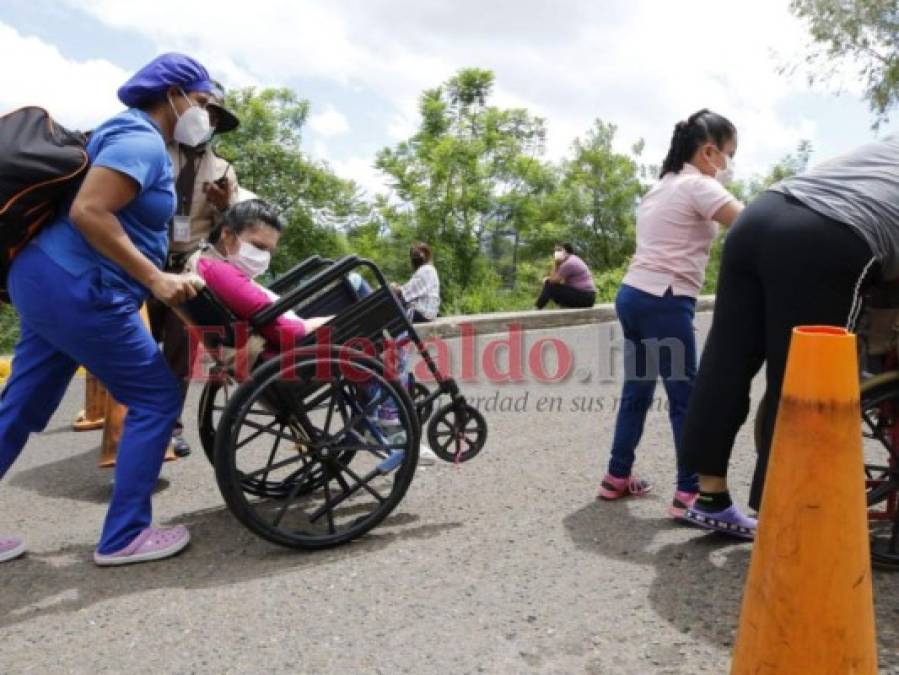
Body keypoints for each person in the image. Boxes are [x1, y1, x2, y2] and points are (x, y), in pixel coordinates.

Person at [0, 53, 213, 566]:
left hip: (45, 278)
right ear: (173, 96)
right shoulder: (140, 141)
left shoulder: (121, 133)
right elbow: (89, 210)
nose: (203, 116)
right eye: (201, 103)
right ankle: (124, 537)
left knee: (23, 403)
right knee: (156, 397)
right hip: (81, 285)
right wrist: (155, 278)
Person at [680, 134, 897, 539]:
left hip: (760, 214)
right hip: (832, 234)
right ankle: (788, 515)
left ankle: (709, 497)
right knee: (805, 378)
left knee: (727, 358)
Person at [597, 110, 743, 522]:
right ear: (709, 151)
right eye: (728, 155)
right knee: (686, 400)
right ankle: (690, 492)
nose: (729, 165)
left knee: (637, 391)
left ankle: (616, 476)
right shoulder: (698, 185)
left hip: (633, 295)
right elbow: (751, 225)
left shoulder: (661, 187)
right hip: (665, 298)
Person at [148, 81, 241, 458]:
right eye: (206, 110)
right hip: (146, 264)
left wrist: (224, 206)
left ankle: (170, 428)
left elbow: (234, 235)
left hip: (189, 269)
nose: (208, 120)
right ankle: (130, 425)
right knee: (135, 346)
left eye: (216, 116)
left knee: (179, 354)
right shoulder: (156, 152)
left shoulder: (224, 170)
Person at [535, 244, 596, 309]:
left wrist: (556, 263)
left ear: (566, 252)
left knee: (549, 285)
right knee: (551, 285)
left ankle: (538, 308)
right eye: (555, 251)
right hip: (587, 297)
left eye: (559, 250)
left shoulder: (569, 263)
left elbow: (553, 281)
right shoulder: (572, 259)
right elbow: (555, 280)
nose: (556, 253)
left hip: (585, 297)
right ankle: (562, 305)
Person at [391, 242, 440, 323]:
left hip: (423, 311)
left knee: (391, 313)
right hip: (426, 310)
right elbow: (410, 288)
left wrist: (395, 288)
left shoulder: (426, 270)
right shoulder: (425, 270)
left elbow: (405, 292)